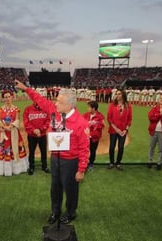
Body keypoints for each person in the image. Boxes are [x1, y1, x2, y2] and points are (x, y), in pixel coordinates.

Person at [15, 79, 89, 225]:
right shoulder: (54, 111)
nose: (55, 104)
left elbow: (84, 149)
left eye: (59, 102)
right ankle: (55, 211)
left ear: (69, 105)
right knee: (55, 187)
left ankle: (70, 212)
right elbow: (40, 99)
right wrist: (25, 88)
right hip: (55, 158)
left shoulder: (80, 122)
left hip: (70, 161)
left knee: (70, 189)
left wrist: (81, 170)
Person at [0, 90, 28, 176]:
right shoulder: (0, 109)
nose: (7, 99)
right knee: (4, 150)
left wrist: (11, 126)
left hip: (13, 133)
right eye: (5, 97)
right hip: (3, 133)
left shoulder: (16, 109)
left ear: (12, 97)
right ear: (3, 98)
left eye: (9, 97)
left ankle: (16, 169)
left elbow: (17, 120)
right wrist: (4, 127)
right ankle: (5, 170)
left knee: (15, 149)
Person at [107, 89, 132, 171]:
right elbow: (109, 118)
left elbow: (129, 119)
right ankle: (111, 162)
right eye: (116, 94)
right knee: (112, 146)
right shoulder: (112, 105)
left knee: (121, 147)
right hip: (113, 130)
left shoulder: (128, 106)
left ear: (123, 95)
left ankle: (118, 163)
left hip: (123, 130)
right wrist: (116, 129)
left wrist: (126, 130)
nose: (117, 95)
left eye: (119, 94)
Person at [23, 102, 50, 175]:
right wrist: (33, 130)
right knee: (31, 151)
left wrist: (40, 130)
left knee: (43, 151)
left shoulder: (45, 109)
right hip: (32, 135)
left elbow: (48, 121)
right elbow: (26, 122)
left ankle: (44, 166)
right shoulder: (28, 109)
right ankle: (31, 167)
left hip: (42, 134)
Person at [82, 101, 105, 171]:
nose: (88, 108)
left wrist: (94, 127)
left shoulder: (100, 116)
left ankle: (91, 163)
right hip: (86, 137)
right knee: (84, 151)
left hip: (94, 138)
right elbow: (81, 123)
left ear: (94, 108)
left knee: (92, 151)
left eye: (89, 107)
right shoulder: (85, 115)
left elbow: (102, 126)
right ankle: (84, 163)